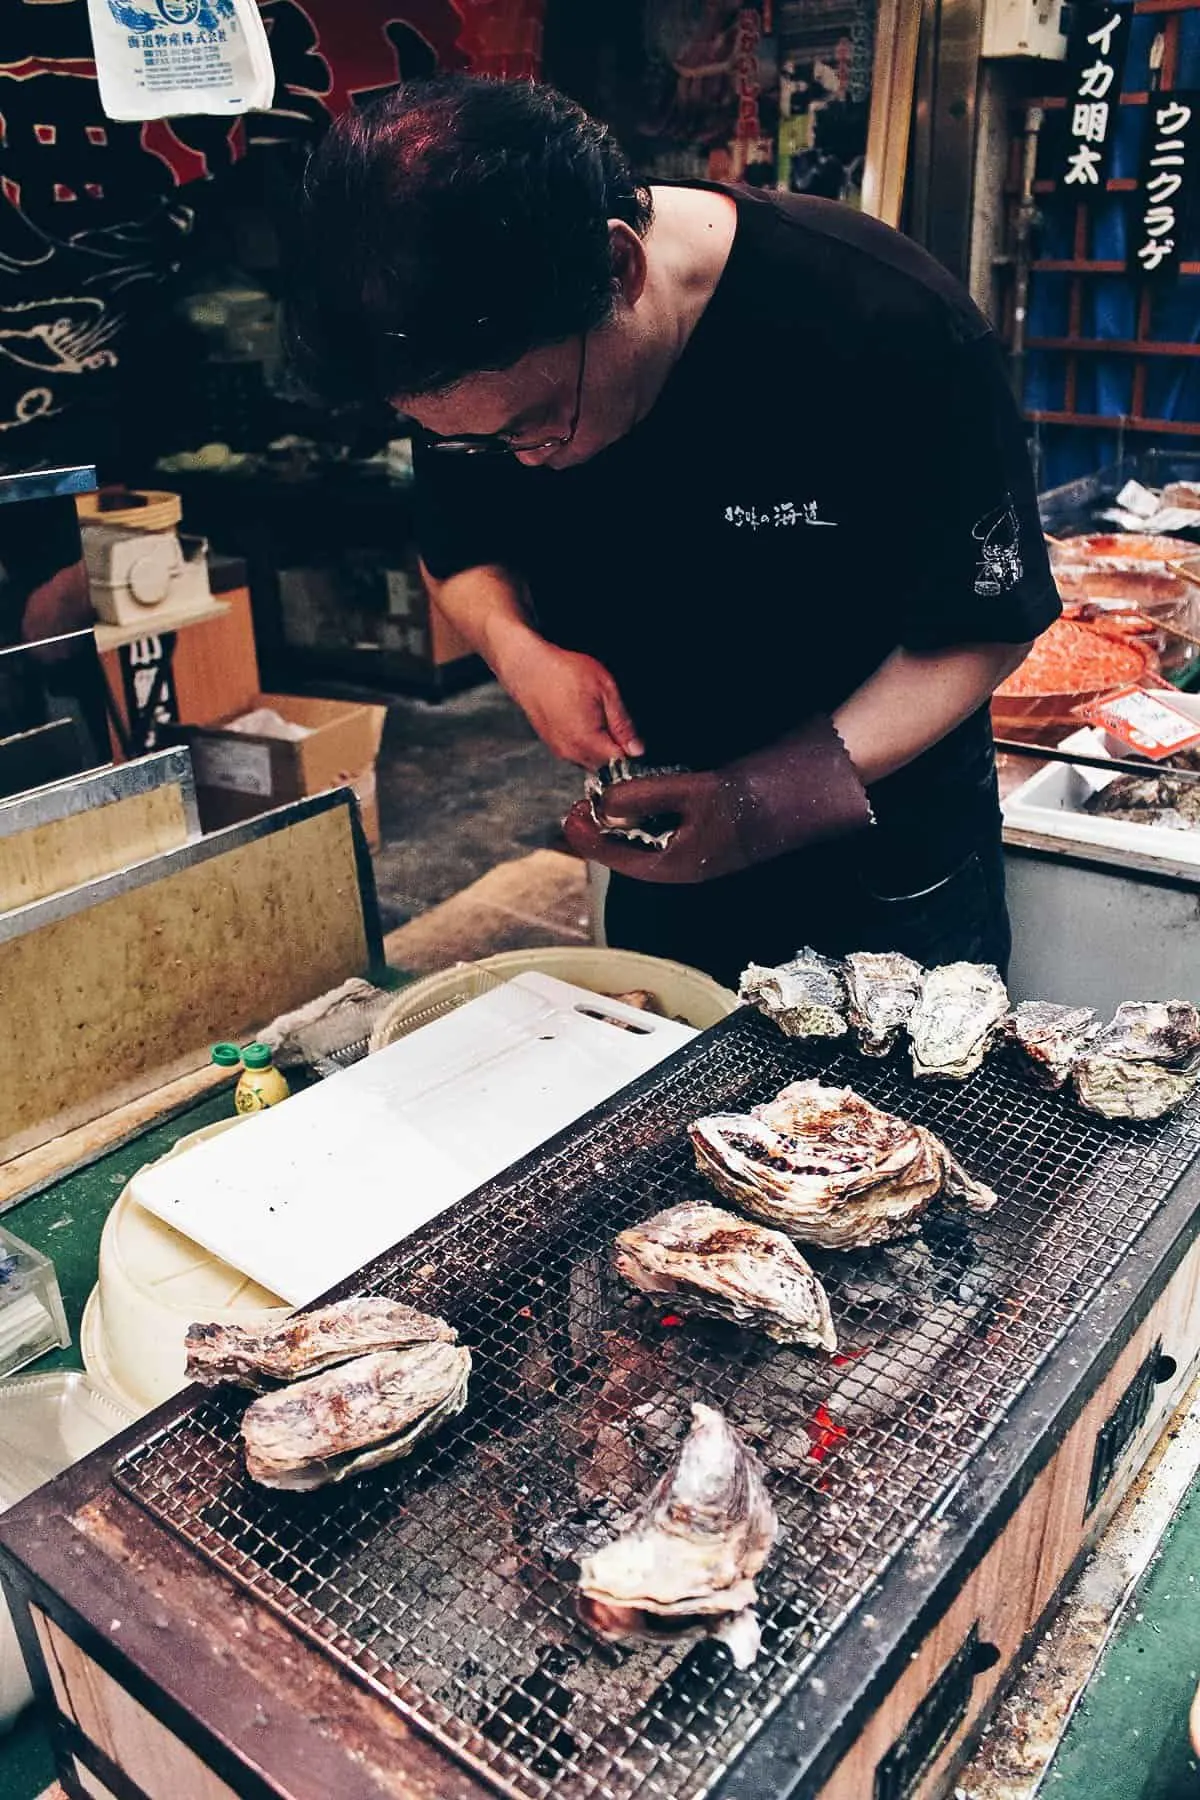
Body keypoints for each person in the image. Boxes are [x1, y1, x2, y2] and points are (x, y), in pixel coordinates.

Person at [287, 76, 1059, 988]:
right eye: (474, 441)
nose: (522, 461)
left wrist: (767, 800)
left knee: (905, 1125)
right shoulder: (464, 346)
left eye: (538, 420)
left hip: (887, 855)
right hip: (663, 847)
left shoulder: (885, 324)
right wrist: (520, 652)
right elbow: (459, 550)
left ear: (621, 270)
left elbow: (987, 625)